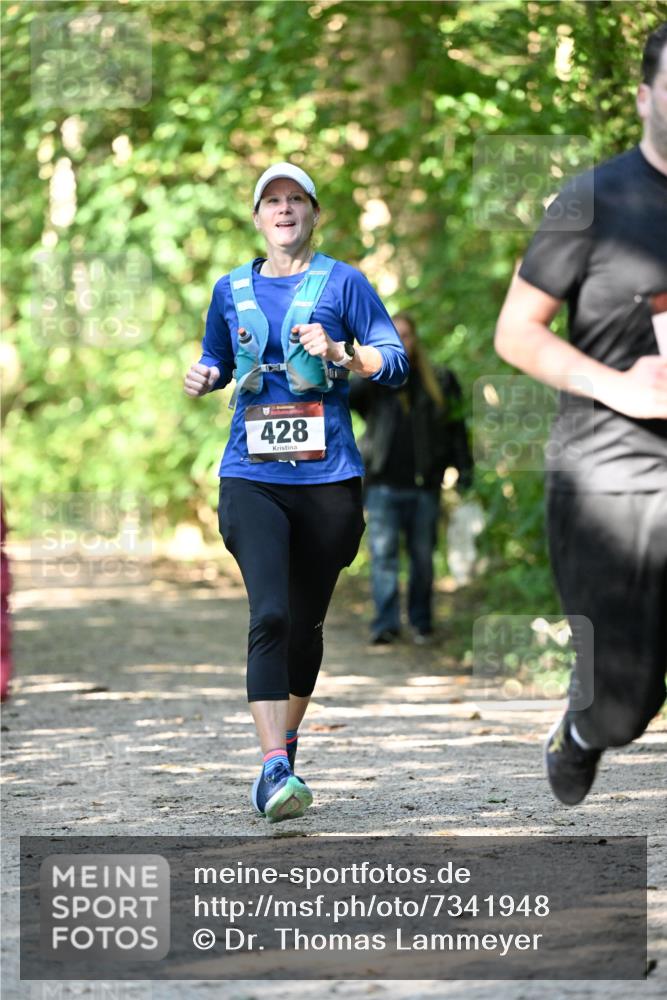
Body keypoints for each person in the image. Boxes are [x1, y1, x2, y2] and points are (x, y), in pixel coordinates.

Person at [183, 163, 408, 823]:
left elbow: (392, 361)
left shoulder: (345, 282)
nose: (283, 210)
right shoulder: (229, 289)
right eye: (271, 201)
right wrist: (206, 373)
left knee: (306, 623)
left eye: (295, 200)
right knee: (271, 614)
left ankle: (284, 746)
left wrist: (342, 351)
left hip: (328, 480)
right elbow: (218, 358)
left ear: (312, 213)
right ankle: (271, 770)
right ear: (257, 218)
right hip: (251, 476)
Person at [494, 24, 667, 806]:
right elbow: (515, 332)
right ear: (643, 96)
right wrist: (617, 386)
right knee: (625, 704)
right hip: (610, 478)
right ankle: (582, 728)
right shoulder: (590, 198)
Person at [350, 313, 473, 645]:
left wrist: (465, 469)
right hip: (382, 486)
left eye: (405, 335)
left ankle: (421, 623)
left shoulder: (441, 380)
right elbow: (348, 396)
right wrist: (374, 359)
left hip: (424, 487)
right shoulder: (377, 382)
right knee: (384, 559)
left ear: (415, 338)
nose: (401, 341)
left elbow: (457, 430)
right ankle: (386, 624)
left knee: (422, 559)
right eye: (393, 335)